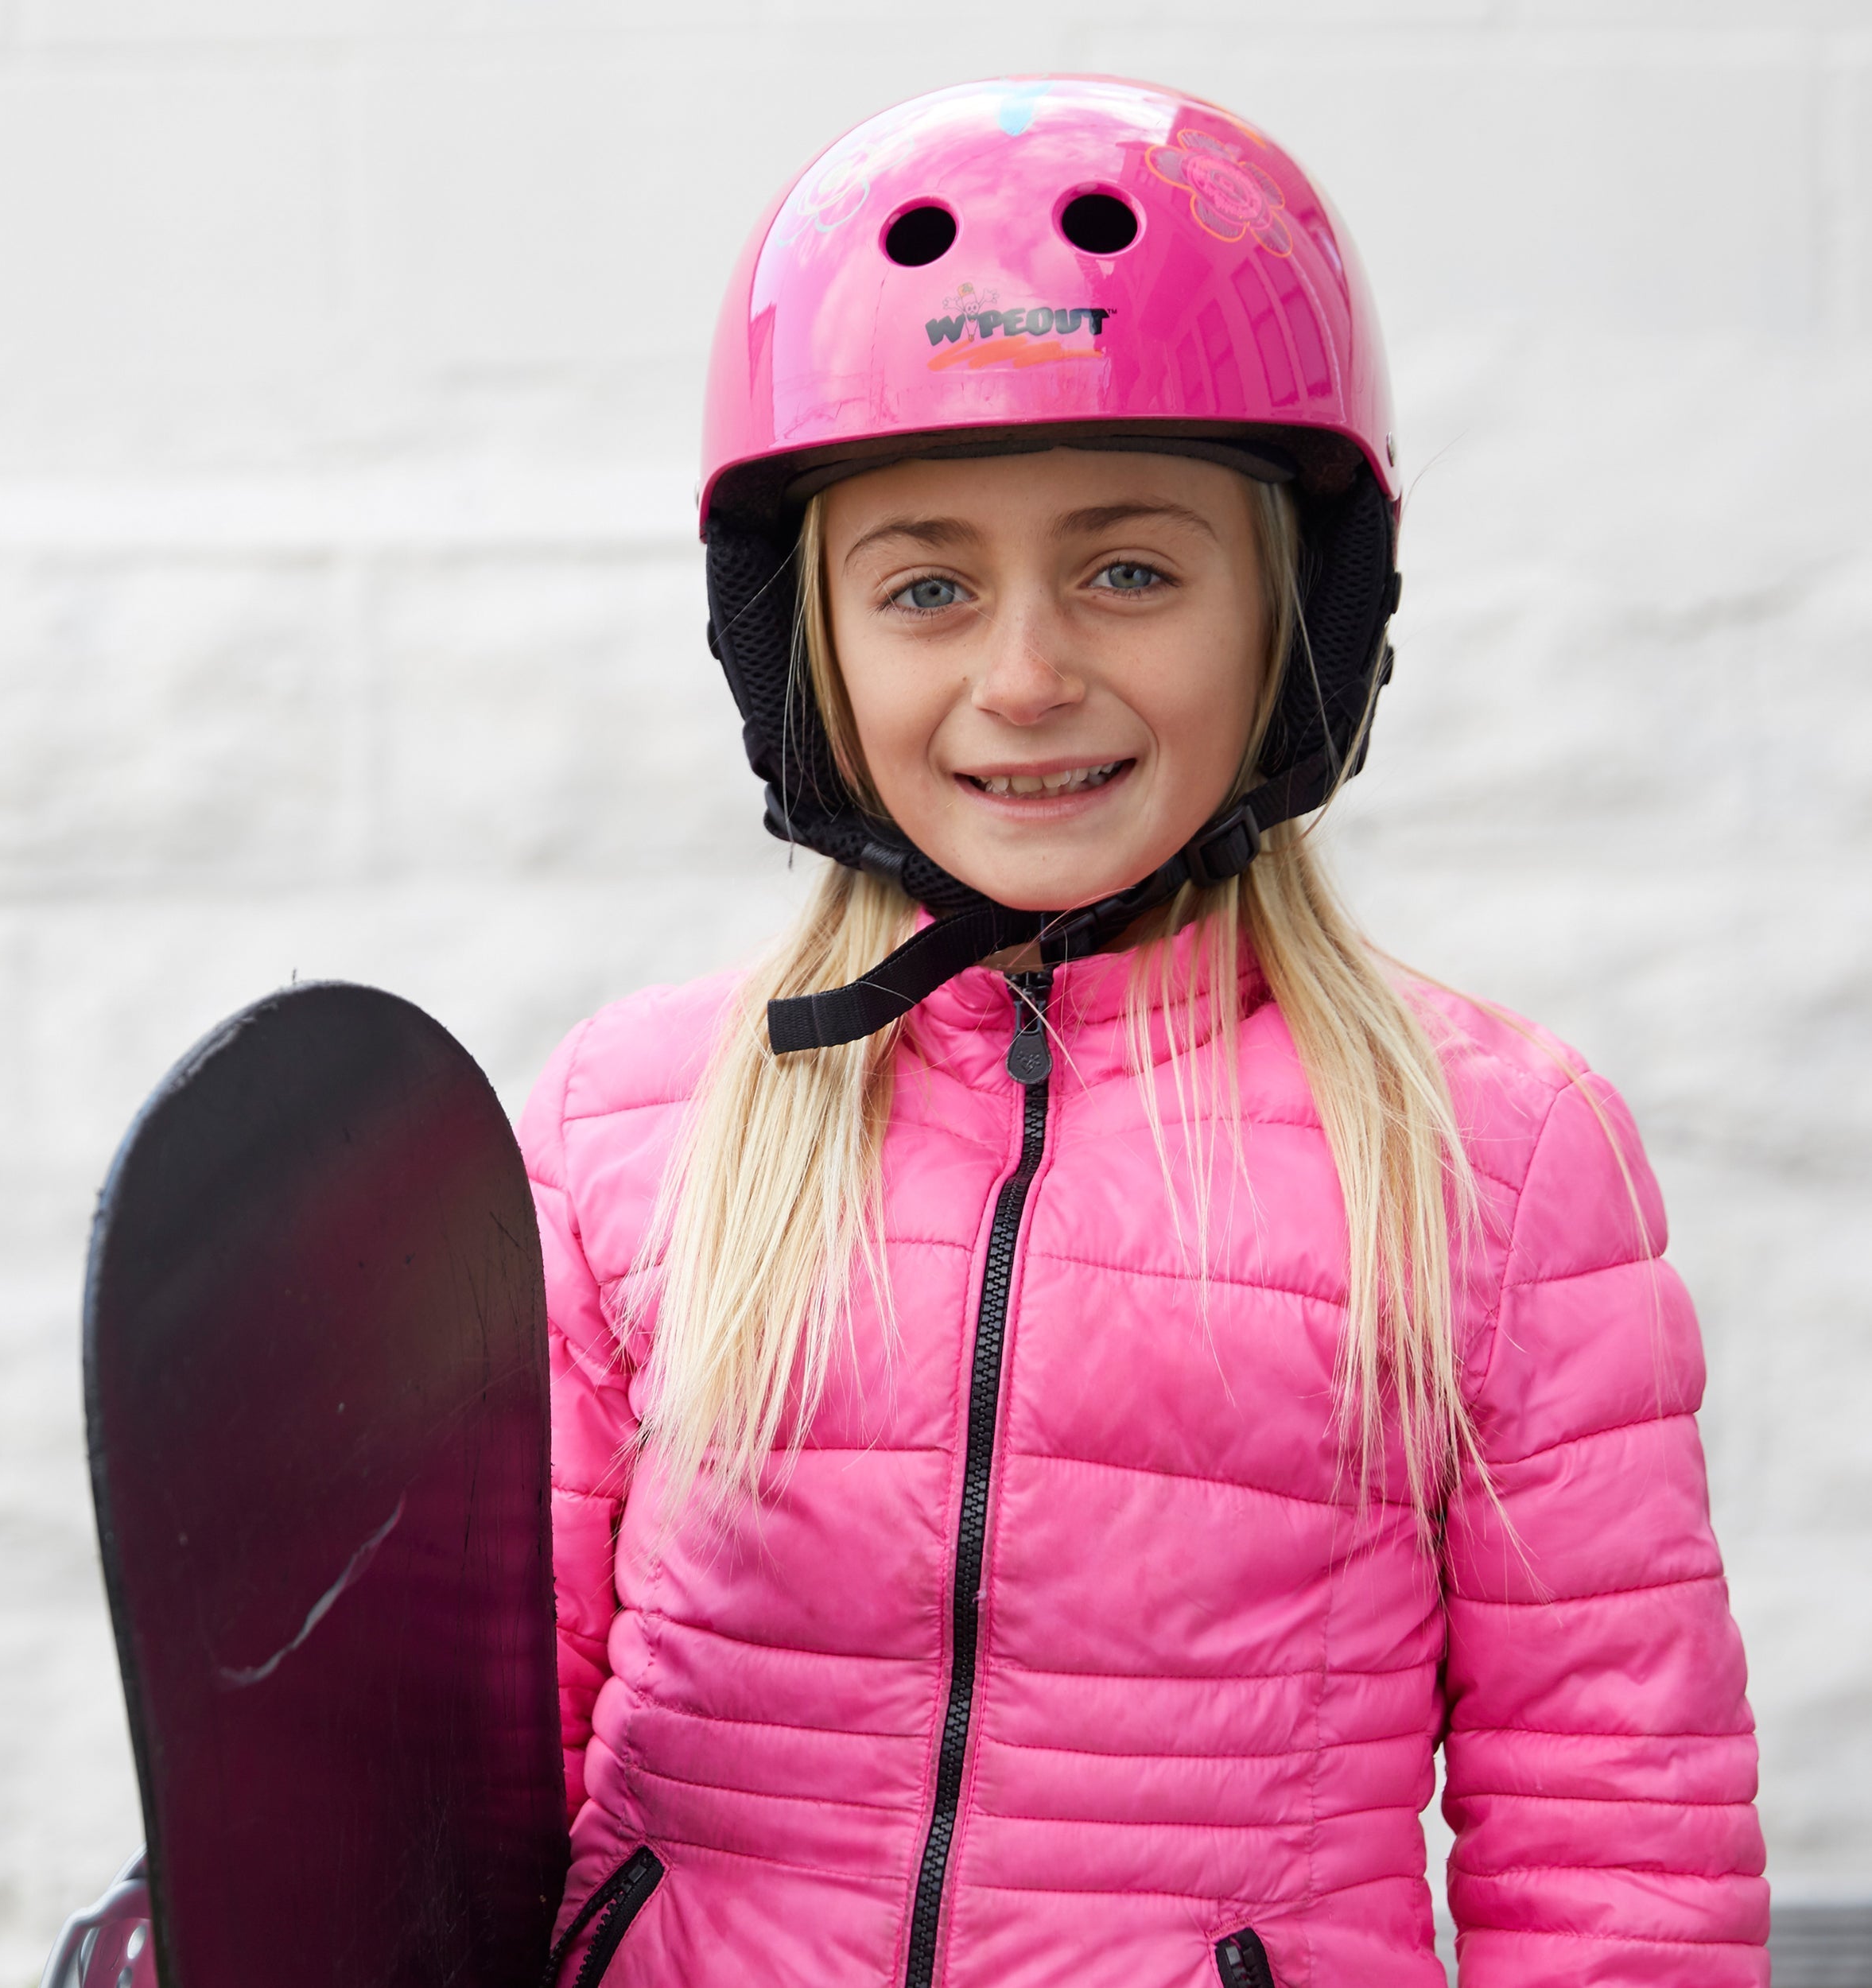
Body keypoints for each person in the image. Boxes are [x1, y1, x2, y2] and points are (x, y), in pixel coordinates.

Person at [522, 76, 1767, 1988]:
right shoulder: (634, 1127)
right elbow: (465, 1751)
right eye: (925, 584)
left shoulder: (1487, 1157)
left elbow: (1618, 1851)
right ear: (805, 650)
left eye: (1128, 569)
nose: (1025, 674)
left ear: (1290, 619)